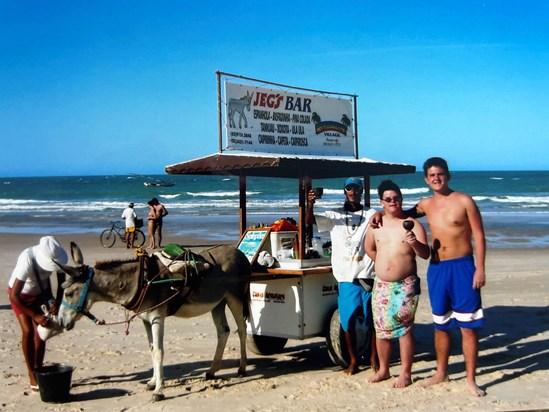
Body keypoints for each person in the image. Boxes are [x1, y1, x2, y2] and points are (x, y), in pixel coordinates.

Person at [371, 157, 487, 396]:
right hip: (437, 268)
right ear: (426, 179)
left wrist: (480, 268)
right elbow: (399, 213)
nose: (436, 178)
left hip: (463, 267)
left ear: (448, 175)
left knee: (468, 327)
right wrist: (377, 215)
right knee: (441, 324)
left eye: (440, 174)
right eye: (432, 175)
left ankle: (470, 379)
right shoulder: (425, 204)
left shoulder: (464, 200)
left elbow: (479, 235)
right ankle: (441, 372)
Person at [306, 177, 378, 375]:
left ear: (362, 191)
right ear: (344, 191)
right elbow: (309, 221)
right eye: (349, 189)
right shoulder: (334, 215)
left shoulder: (372, 214)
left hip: (368, 274)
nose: (352, 192)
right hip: (346, 276)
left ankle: (373, 357)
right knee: (348, 321)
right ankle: (353, 360)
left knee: (372, 321)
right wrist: (310, 203)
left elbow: (384, 229)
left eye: (356, 189)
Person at [365, 180, 430, 388]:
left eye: (397, 198)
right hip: (382, 284)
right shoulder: (376, 224)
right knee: (381, 328)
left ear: (402, 199)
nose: (393, 202)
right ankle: (384, 370)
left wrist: (414, 242)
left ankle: (405, 373)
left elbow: (425, 253)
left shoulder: (413, 224)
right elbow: (369, 249)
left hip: (406, 284)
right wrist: (385, 264)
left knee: (404, 329)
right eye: (389, 199)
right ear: (381, 202)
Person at [7, 236, 68, 392]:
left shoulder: (57, 256)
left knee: (41, 333)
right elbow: (13, 296)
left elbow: (62, 281)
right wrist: (35, 315)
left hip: (41, 293)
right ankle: (31, 373)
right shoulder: (27, 258)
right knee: (28, 331)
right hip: (21, 296)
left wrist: (58, 301)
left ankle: (38, 369)